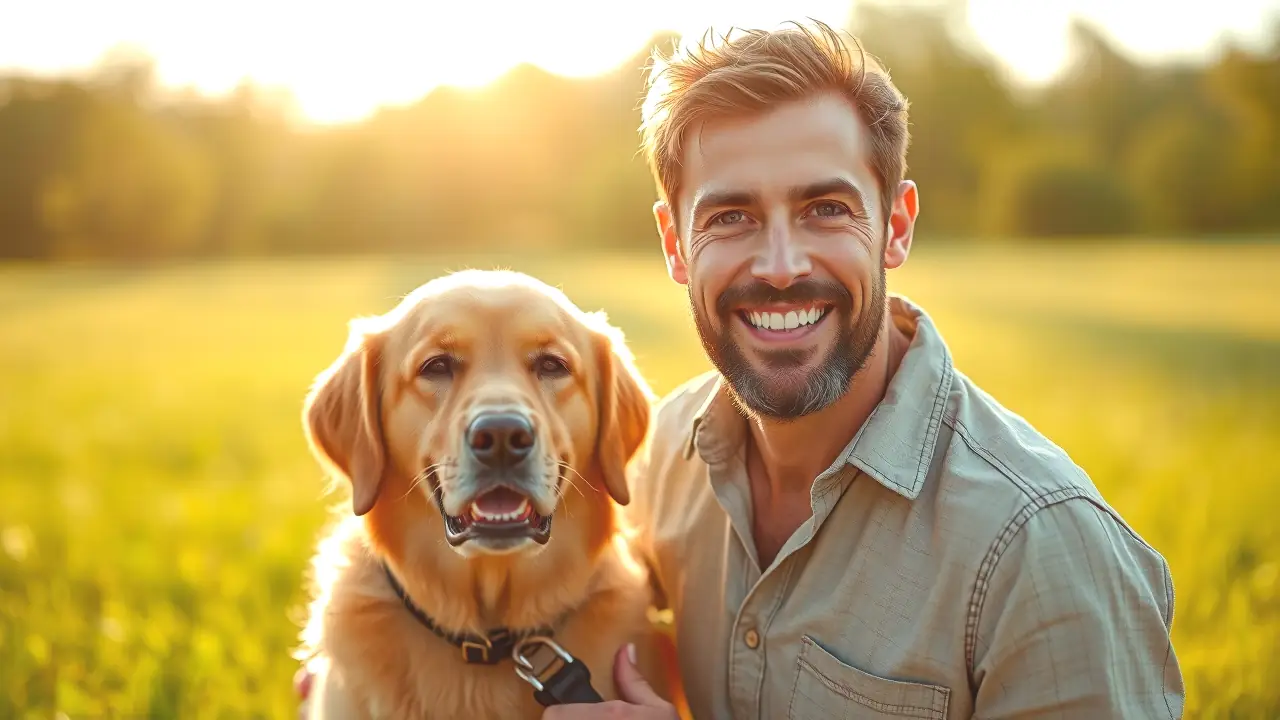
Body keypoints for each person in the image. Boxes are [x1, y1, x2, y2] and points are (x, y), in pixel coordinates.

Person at [298, 20, 1185, 720]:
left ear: (897, 225)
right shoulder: (660, 465)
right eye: (730, 217)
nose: (780, 263)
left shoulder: (1040, 550)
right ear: (675, 244)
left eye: (826, 207)